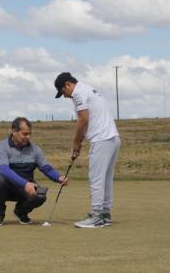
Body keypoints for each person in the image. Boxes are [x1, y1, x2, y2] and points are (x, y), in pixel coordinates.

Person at [54, 72, 120, 228]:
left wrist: (76, 142)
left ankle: (96, 216)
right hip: (113, 138)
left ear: (68, 85)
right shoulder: (88, 89)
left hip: (101, 139)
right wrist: (81, 142)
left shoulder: (78, 93)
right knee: (106, 179)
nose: (65, 96)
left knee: (96, 179)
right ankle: (104, 214)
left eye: (63, 92)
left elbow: (83, 118)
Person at [0, 117, 68, 226]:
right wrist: (25, 183)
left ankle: (21, 212)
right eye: (24, 134)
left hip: (26, 188)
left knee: (40, 196)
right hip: (5, 188)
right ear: (14, 131)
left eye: (29, 134)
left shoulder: (35, 149)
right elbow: (4, 170)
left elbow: (46, 168)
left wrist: (58, 177)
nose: (28, 137)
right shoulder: (2, 147)